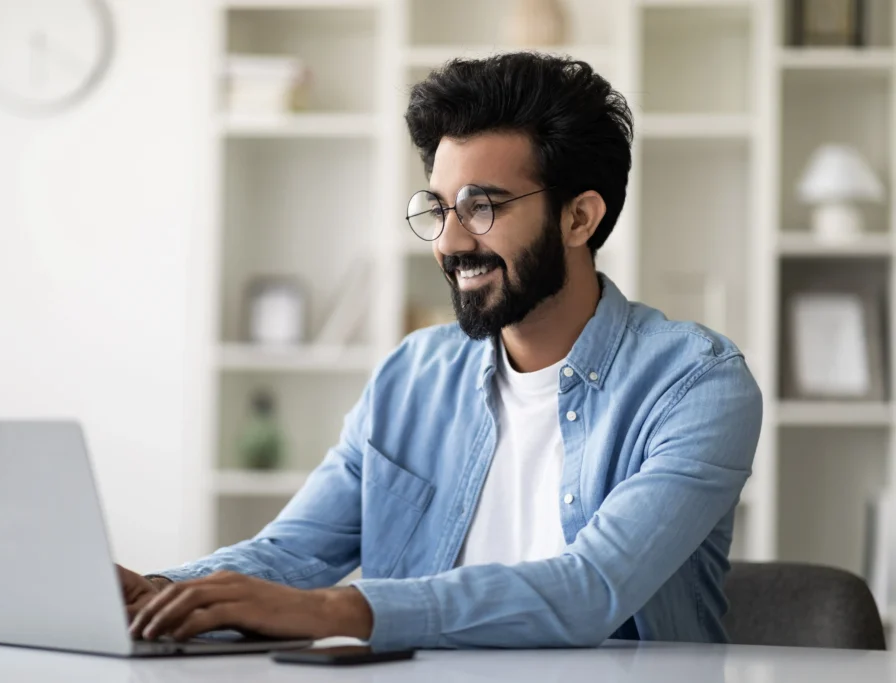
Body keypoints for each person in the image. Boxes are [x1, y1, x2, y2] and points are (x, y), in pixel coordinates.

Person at [122, 52, 763, 651]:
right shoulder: (412, 376)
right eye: (439, 207)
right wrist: (152, 594)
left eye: (481, 207)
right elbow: (293, 554)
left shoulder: (697, 386)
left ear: (579, 219)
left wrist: (336, 611)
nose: (450, 241)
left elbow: (590, 590)